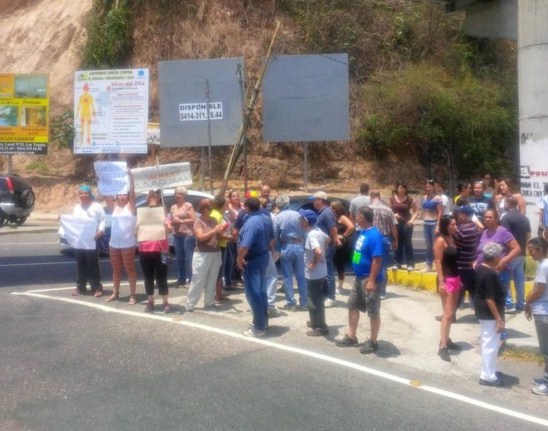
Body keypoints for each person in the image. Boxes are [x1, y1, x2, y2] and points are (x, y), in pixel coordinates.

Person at [336, 206, 383, 354]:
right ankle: (351, 336)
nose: (355, 217)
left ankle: (373, 341)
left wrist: (371, 280)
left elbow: (377, 260)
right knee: (352, 306)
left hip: (369, 279)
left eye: (357, 216)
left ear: (363, 217)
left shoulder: (374, 235)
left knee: (373, 311)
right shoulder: (363, 232)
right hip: (358, 277)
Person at [237, 197, 274, 337]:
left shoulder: (252, 223)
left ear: (247, 208)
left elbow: (245, 245)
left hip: (253, 260)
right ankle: (263, 321)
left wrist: (240, 258)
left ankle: (259, 327)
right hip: (263, 257)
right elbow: (271, 239)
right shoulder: (266, 219)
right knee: (262, 292)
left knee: (254, 294)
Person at [185, 199, 226, 312]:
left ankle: (209, 303)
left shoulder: (214, 219)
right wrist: (214, 230)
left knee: (212, 279)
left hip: (215, 251)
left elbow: (219, 236)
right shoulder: (198, 221)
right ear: (203, 209)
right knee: (198, 279)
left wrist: (221, 231)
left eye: (211, 207)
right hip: (202, 254)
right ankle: (190, 304)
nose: (211, 210)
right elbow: (200, 237)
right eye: (208, 208)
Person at [474, 242, 505, 387]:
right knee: (490, 345)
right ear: (494, 258)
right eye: (499, 256)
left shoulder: (481, 269)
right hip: (489, 314)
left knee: (489, 343)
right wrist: (498, 318)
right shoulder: (489, 274)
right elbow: (489, 298)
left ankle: (489, 370)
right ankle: (488, 376)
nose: (500, 258)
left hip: (484, 313)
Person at [106, 173, 137, 305]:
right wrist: (101, 179)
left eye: (124, 194)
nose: (122, 196)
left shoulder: (131, 207)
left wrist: (130, 176)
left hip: (127, 243)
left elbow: (133, 192)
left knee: (129, 268)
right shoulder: (114, 207)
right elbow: (106, 194)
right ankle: (115, 292)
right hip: (114, 244)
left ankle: (133, 295)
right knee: (116, 269)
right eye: (120, 194)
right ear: (116, 196)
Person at [138, 191, 171, 313]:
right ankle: (150, 300)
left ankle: (165, 302)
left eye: (155, 204)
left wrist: (166, 225)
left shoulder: (163, 216)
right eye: (151, 205)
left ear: (158, 203)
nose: (153, 207)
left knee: (162, 277)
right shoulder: (142, 216)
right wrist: (136, 229)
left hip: (161, 250)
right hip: (145, 250)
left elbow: (170, 230)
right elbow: (136, 233)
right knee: (148, 277)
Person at [434, 215, 461, 362]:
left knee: (451, 313)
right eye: (453, 225)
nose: (456, 227)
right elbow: (438, 262)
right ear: (446, 225)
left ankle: (447, 339)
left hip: (455, 278)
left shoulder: (451, 239)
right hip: (447, 279)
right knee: (447, 313)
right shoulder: (440, 240)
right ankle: (443, 346)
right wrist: (441, 282)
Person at [69, 185, 105, 296]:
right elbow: (73, 221)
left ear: (89, 194)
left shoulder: (97, 207)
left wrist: (100, 231)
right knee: (81, 264)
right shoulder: (77, 208)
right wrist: (62, 219)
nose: (83, 195)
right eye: (81, 193)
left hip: (92, 239)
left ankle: (96, 288)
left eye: (85, 193)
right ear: (78, 195)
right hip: (80, 240)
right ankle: (80, 287)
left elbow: (103, 220)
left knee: (92, 264)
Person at [274, 194, 307, 311]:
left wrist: (277, 248)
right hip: (298, 245)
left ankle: (291, 303)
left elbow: (275, 234)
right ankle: (304, 302)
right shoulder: (298, 214)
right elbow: (305, 230)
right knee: (301, 275)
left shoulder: (278, 217)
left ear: (278, 205)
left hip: (285, 246)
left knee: (287, 277)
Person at [301, 209, 330, 336]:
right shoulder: (318, 231)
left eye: (301, 219)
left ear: (306, 222)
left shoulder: (311, 235)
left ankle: (320, 327)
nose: (299, 221)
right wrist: (324, 251)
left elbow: (317, 251)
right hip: (321, 271)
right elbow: (328, 239)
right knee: (316, 298)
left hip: (314, 274)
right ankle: (315, 321)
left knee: (314, 299)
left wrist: (313, 262)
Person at [525, 237, 548, 395]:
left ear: (540, 250)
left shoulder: (544, 266)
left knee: (546, 350)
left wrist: (528, 303)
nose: (529, 253)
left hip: (543, 312)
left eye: (532, 250)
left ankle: (546, 384)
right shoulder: (544, 264)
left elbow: (540, 290)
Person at [501, 196, 531, 312]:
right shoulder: (524, 218)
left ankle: (509, 304)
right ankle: (521, 303)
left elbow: (504, 235)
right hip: (522, 252)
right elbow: (528, 234)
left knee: (506, 278)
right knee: (519, 279)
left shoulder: (506, 217)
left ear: (508, 204)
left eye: (505, 202)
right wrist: (525, 248)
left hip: (511, 253)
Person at [312, 191, 340, 306]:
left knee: (328, 272)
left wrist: (331, 243)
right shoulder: (323, 212)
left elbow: (333, 230)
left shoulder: (327, 213)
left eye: (314, 199)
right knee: (324, 271)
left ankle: (331, 297)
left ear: (320, 201)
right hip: (323, 246)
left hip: (327, 247)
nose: (313, 202)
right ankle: (326, 295)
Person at [368, 191, 398, 298]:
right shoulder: (388, 209)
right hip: (384, 238)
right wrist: (395, 240)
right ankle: (382, 292)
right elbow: (393, 226)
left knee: (370, 263)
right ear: (380, 196)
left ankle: (371, 287)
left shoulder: (368, 209)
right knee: (382, 265)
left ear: (371, 197)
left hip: (370, 238)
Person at [453, 205, 481, 313]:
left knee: (458, 291)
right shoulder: (474, 227)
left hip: (461, 265)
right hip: (471, 264)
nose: (458, 216)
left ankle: (450, 315)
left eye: (459, 214)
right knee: (473, 291)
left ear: (463, 216)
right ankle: (481, 314)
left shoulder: (461, 230)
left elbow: (453, 244)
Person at [170, 186, 196, 288]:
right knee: (179, 257)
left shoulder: (188, 205)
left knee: (189, 258)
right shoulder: (173, 207)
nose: (177, 195)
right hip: (177, 235)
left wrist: (181, 221)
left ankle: (190, 280)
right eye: (176, 193)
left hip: (187, 235)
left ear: (184, 196)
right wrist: (172, 222)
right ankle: (181, 278)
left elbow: (193, 219)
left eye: (180, 194)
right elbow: (171, 219)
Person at [389, 182, 418, 270]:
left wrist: (412, 221)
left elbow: (416, 211)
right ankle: (397, 263)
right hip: (395, 224)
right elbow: (389, 211)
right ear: (397, 189)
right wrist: (393, 215)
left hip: (407, 224)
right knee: (397, 243)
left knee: (407, 243)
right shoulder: (392, 199)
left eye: (404, 188)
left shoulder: (409, 199)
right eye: (400, 188)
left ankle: (410, 264)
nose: (402, 190)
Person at [330, 199, 355, 294]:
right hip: (334, 243)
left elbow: (351, 226)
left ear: (336, 208)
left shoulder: (342, 217)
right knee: (334, 263)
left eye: (332, 207)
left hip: (342, 243)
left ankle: (340, 286)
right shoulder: (333, 218)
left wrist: (344, 236)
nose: (330, 209)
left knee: (340, 263)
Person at [422, 180, 442, 272]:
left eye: (430, 186)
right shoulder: (424, 197)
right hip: (426, 223)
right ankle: (429, 265)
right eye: (427, 187)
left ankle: (439, 264)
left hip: (434, 223)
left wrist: (438, 226)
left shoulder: (438, 198)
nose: (428, 188)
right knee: (428, 246)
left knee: (435, 246)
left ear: (433, 187)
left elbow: (440, 213)